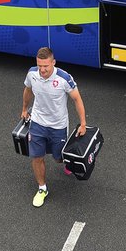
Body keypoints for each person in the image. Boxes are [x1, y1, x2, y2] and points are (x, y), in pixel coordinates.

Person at [21, 47, 87, 208]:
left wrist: (83, 123)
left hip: (58, 126)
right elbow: (28, 90)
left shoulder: (64, 78)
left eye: (46, 66)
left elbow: (77, 99)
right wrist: (24, 109)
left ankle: (66, 163)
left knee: (58, 157)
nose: (42, 70)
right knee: (37, 157)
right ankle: (42, 188)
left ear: (53, 63)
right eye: (40, 66)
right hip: (37, 123)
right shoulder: (32, 73)